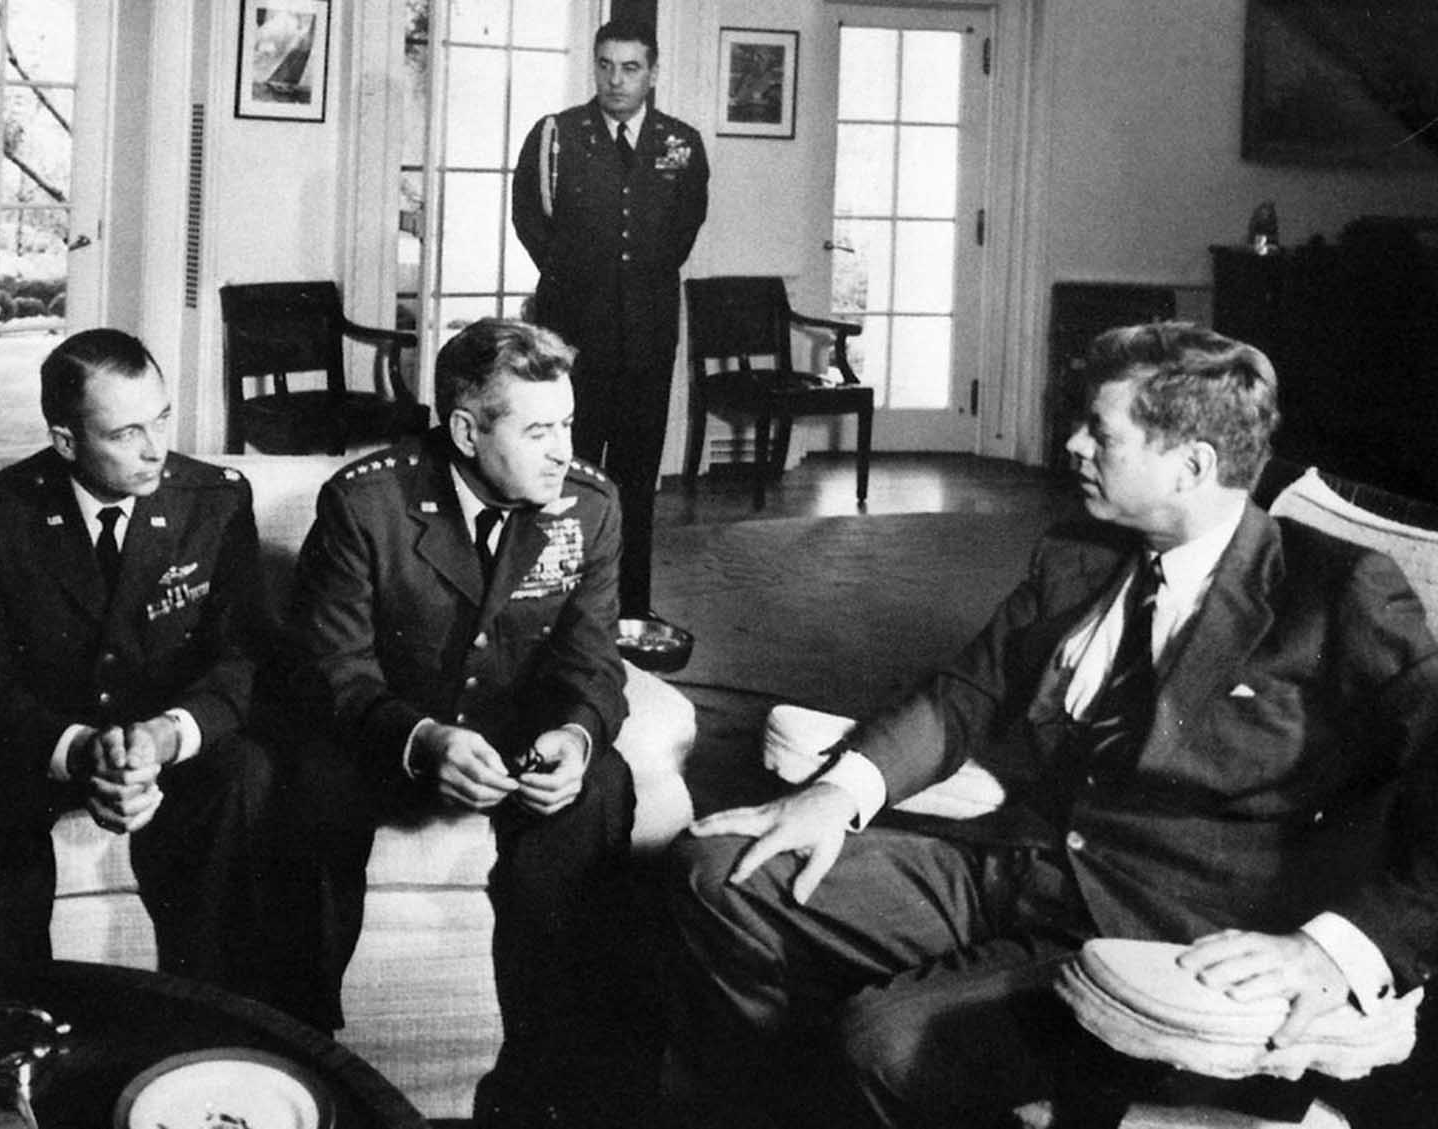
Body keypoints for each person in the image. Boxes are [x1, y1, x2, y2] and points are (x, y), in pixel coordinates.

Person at [665, 322, 1438, 1128]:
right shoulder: (1080, 551)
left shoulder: (1333, 590)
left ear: (1193, 464)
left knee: (887, 1044)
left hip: (1156, 938)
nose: (1070, 445)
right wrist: (836, 793)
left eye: (1100, 433)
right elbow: (965, 691)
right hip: (1011, 866)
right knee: (720, 873)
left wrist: (1339, 947)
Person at [285, 318, 657, 1128]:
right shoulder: (366, 502)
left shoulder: (589, 506)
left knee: (601, 785)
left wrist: (574, 736)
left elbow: (592, 662)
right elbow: (334, 673)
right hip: (389, 733)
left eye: (566, 424)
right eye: (537, 431)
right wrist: (419, 740)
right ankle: (303, 1050)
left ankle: (539, 1078)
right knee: (309, 779)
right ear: (464, 430)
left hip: (516, 740)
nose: (562, 449)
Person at [0, 328, 277, 1003]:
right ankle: (9, 1027)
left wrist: (169, 735)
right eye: (126, 433)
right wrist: (80, 748)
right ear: (66, 441)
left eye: (163, 418)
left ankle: (213, 1018)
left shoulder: (216, 499)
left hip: (166, 740)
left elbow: (244, 656)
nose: (156, 449)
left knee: (247, 773)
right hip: (47, 742)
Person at [512, 18, 709, 620]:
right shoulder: (556, 136)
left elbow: (682, 231)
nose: (616, 80)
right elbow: (529, 218)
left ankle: (630, 613)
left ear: (652, 72)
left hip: (648, 340)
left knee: (634, 483)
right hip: (572, 340)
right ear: (593, 66)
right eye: (605, 65)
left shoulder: (681, 144)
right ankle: (552, 612)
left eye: (630, 68)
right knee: (562, 477)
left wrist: (634, 284)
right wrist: (576, 277)